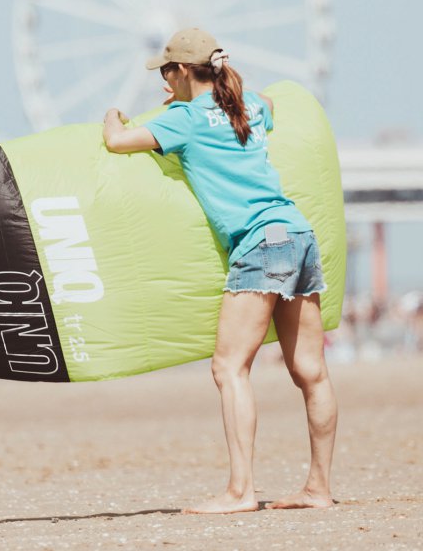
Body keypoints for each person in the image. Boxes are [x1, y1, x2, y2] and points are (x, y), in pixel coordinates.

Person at [102, 28, 338, 514]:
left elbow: (116, 141)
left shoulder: (182, 119)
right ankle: (318, 488)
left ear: (182, 71)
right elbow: (269, 99)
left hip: (259, 243)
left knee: (229, 367)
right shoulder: (248, 105)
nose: (163, 78)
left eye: (167, 70)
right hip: (296, 233)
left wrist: (116, 112)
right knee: (311, 372)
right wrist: (215, 87)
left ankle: (240, 492)